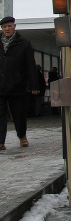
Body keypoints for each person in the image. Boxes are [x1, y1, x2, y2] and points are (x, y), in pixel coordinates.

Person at [0, 16, 39, 150]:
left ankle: (22, 136)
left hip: (17, 86)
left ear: (14, 27)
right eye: (4, 27)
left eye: (9, 26)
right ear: (2, 29)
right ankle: (0, 142)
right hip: (0, 86)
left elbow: (30, 65)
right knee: (0, 116)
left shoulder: (24, 43)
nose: (7, 29)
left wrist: (34, 85)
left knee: (19, 114)